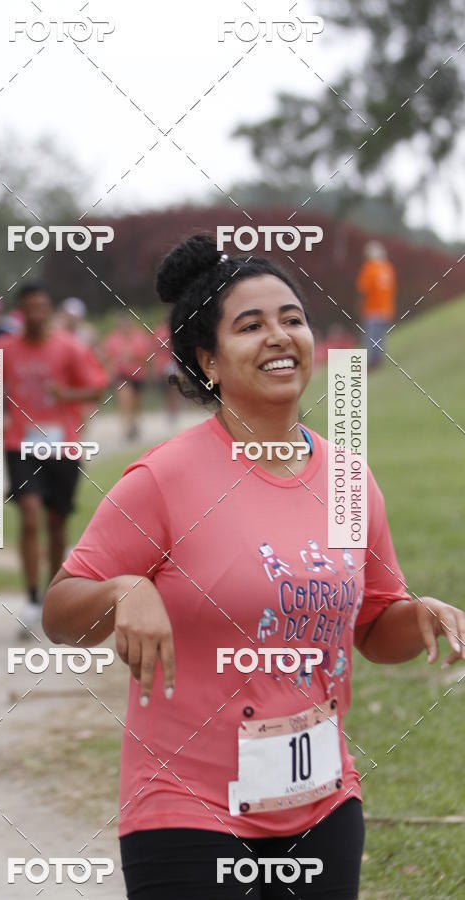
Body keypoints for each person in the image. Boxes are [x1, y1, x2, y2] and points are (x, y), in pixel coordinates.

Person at [42, 234, 465, 899]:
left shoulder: (350, 481)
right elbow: (61, 613)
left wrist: (422, 618)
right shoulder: (164, 479)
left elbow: (377, 627)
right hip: (186, 808)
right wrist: (124, 589)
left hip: (322, 803)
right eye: (251, 325)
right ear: (207, 361)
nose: (279, 336)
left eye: (292, 319)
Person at [0, 284, 108, 636]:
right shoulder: (2, 349)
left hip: (62, 447)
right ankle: (30, 601)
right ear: (20, 313)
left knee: (56, 524)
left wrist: (67, 394)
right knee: (29, 517)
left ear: (48, 309)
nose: (36, 314)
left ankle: (50, 593)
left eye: (42, 306)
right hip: (20, 445)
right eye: (29, 308)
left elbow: (98, 388)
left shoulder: (69, 347)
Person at [102, 312, 152, 441]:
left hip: (138, 375)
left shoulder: (140, 337)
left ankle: (134, 423)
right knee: (125, 399)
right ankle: (127, 427)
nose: (125, 327)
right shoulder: (112, 339)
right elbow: (107, 358)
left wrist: (133, 356)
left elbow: (147, 357)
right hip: (121, 376)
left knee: (136, 403)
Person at [356, 241, 397, 370]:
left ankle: (373, 363)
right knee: (380, 337)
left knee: (371, 337)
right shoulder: (388, 268)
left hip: (372, 310)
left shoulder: (369, 268)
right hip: (386, 309)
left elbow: (363, 289)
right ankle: (378, 360)